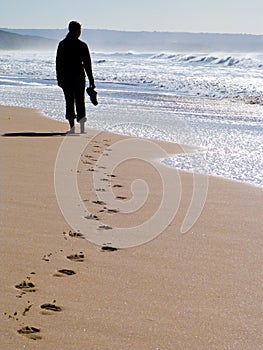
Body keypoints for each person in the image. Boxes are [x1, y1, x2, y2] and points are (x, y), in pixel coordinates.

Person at [56, 21, 95, 133]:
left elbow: (58, 63)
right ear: (77, 31)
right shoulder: (82, 45)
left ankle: (72, 128)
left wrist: (59, 79)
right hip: (79, 77)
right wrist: (91, 80)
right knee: (80, 101)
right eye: (80, 30)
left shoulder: (62, 44)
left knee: (69, 101)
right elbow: (88, 65)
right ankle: (82, 129)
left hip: (66, 77)